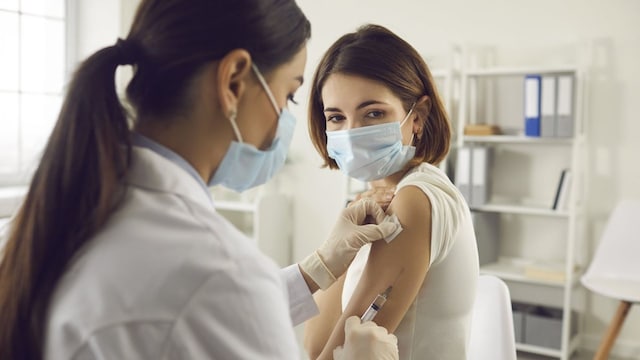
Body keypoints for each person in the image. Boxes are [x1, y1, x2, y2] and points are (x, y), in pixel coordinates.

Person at [0, 2, 401, 359]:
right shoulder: (221, 274)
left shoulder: (37, 223)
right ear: (233, 82)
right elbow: (214, 304)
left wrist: (318, 266)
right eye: (289, 95)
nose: (285, 117)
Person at [304, 24, 480, 359]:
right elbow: (314, 345)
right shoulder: (368, 205)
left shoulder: (415, 199)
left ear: (418, 116)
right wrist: (336, 252)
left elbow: (336, 353)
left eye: (373, 113)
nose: (352, 132)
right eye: (337, 117)